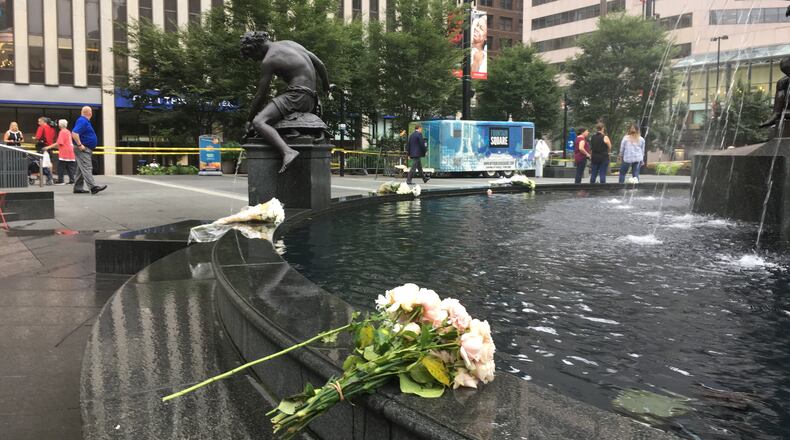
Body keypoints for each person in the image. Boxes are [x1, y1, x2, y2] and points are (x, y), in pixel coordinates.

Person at [241, 31, 330, 173]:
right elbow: (320, 64)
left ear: (256, 49)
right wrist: (326, 86)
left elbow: (260, 95)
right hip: (311, 99)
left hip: (297, 96)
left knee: (259, 122)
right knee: (273, 119)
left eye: (254, 57)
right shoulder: (290, 44)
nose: (256, 60)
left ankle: (287, 152)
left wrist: (249, 119)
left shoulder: (269, 59)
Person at [71, 106, 107, 195]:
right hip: (83, 148)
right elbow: (74, 133)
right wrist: (80, 145)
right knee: (87, 167)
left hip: (84, 148)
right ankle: (93, 187)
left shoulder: (83, 121)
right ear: (90, 113)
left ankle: (78, 188)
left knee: (81, 168)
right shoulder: (83, 121)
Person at [44, 119, 75, 185]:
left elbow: (59, 143)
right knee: (70, 167)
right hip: (70, 151)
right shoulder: (68, 131)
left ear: (60, 125)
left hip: (64, 152)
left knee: (60, 167)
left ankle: (61, 180)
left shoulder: (62, 132)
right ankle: (72, 180)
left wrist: (48, 147)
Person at [34, 117, 57, 185]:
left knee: (40, 161)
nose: (38, 123)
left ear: (43, 121)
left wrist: (35, 138)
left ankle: (41, 176)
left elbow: (38, 137)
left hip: (42, 146)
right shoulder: (52, 128)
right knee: (49, 162)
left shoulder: (41, 127)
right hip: (50, 146)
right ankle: (50, 177)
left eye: (39, 121)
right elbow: (54, 137)